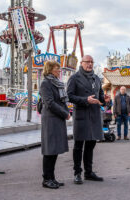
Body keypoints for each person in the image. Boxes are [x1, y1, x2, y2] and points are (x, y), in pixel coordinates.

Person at [67, 55, 109, 184]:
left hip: (95, 115)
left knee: (91, 145)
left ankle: (89, 172)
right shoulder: (74, 78)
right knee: (79, 146)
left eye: (92, 62)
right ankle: (77, 173)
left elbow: (100, 95)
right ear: (82, 63)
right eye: (87, 62)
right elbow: (69, 96)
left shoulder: (96, 78)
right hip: (81, 114)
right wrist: (85, 100)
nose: (90, 64)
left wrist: (104, 100)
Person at [39, 61, 71, 189]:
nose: (59, 71)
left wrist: (65, 111)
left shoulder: (57, 83)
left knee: (55, 150)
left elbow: (61, 101)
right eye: (57, 69)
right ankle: (46, 179)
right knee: (49, 150)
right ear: (50, 70)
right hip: (51, 119)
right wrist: (65, 113)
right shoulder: (45, 83)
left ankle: (52, 177)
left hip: (57, 119)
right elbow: (49, 103)